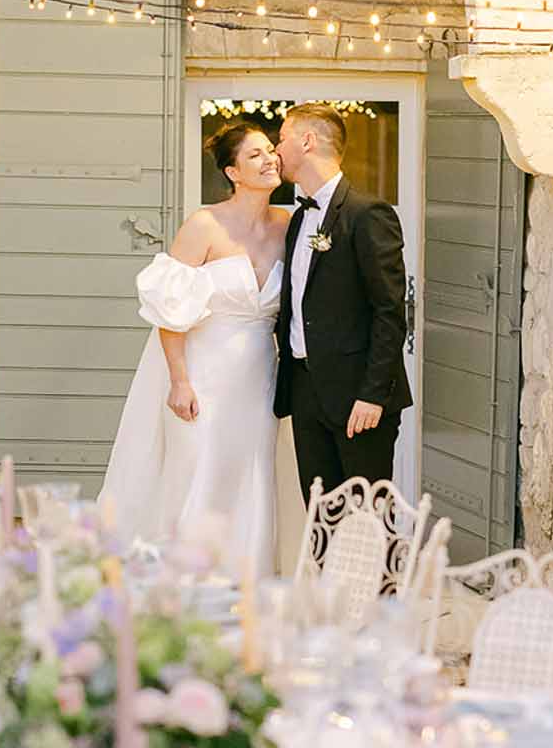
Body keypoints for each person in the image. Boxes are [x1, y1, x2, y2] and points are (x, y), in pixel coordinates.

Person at [100, 121, 290, 574]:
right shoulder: (204, 225)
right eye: (255, 155)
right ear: (232, 171)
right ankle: (181, 585)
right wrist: (179, 381)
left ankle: (246, 584)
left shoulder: (289, 224)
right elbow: (170, 309)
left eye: (270, 151)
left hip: (259, 375)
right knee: (198, 468)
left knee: (251, 471)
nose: (269, 160)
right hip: (202, 374)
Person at [274, 102, 411, 501]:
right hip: (305, 393)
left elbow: (389, 312)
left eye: (282, 138)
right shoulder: (299, 219)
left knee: (370, 521)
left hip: (358, 398)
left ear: (307, 141)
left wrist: (372, 394)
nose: (276, 149)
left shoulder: (367, 214)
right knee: (321, 518)